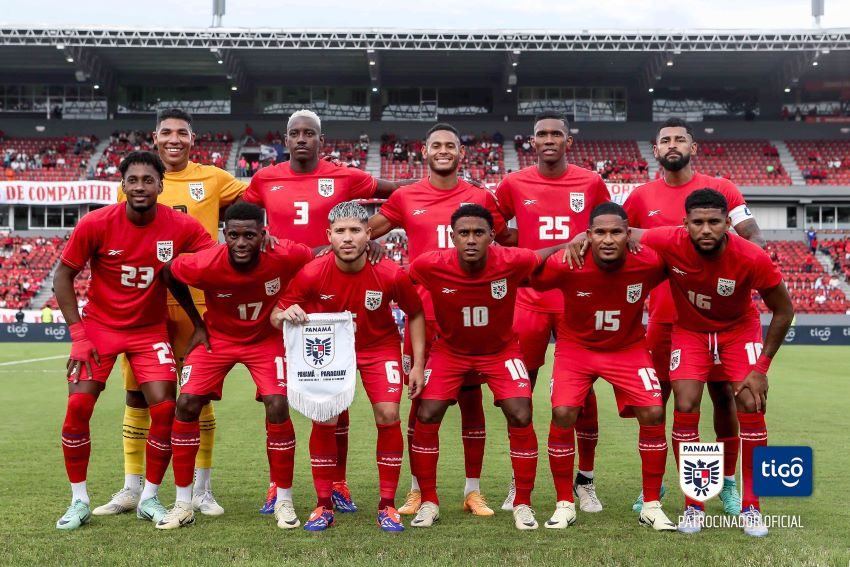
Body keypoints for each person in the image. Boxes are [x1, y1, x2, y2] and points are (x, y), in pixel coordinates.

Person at [243, 109, 413, 514]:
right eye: (294, 134)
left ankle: (338, 482)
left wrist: (367, 233)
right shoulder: (265, 178)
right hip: (286, 300)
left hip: (338, 292)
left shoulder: (347, 176)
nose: (302, 139)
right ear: (285, 140)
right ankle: (276, 484)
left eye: (309, 134)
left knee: (336, 393)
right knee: (276, 397)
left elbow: (400, 194)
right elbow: (242, 217)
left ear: (322, 140)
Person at [52, 151, 215, 530]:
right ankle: (78, 501)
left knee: (163, 410)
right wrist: (78, 335)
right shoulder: (96, 223)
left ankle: (149, 498)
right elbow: (63, 276)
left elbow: (216, 260)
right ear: (122, 185)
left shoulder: (181, 226)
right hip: (99, 327)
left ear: (161, 184)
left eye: (148, 180)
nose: (140, 186)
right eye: (133, 180)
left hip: (148, 331)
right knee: (78, 406)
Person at [98, 108, 248, 520]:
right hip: (145, 305)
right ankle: (132, 488)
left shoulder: (216, 179)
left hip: (196, 305)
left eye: (182, 132)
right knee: (136, 395)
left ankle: (201, 489)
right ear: (155, 136)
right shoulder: (133, 182)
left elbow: (257, 207)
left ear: (193, 138)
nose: (174, 139)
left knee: (196, 394)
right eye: (167, 132)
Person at [368, 123, 513, 517]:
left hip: (470, 317)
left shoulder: (480, 196)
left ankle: (473, 491)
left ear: (461, 153)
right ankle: (417, 490)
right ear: (424, 151)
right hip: (421, 318)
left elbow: (509, 241)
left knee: (472, 401)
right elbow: (362, 234)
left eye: (451, 145)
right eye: (437, 145)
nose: (444, 150)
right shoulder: (405, 196)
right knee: (419, 403)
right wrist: (370, 246)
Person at [630, 189, 793, 537]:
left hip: (738, 332)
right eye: (698, 222)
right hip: (689, 331)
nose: (706, 229)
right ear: (685, 224)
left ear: (727, 224)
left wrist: (761, 368)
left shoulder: (751, 257)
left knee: (749, 402)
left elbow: (784, 309)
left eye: (715, 222)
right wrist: (581, 240)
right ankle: (694, 505)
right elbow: (623, 231)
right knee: (685, 403)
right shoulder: (669, 240)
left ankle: (752, 506)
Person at [623, 117, 766, 514]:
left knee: (726, 397)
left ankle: (730, 482)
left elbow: (752, 233)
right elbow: (620, 238)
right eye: (665, 140)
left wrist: (747, 260)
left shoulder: (721, 189)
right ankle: (658, 486)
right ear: (655, 150)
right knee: (660, 401)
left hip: (718, 319)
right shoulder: (639, 197)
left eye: (679, 139)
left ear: (693, 146)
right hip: (666, 315)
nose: (672, 145)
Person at [406, 204, 566, 531]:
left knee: (521, 413)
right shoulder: (429, 264)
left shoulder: (512, 259)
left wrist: (574, 241)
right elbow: (407, 300)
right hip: (450, 351)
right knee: (426, 413)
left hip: (500, 351)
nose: (470, 239)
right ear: (452, 236)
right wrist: (419, 363)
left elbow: (542, 253)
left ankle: (523, 503)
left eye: (478, 233)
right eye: (463, 233)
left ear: (492, 236)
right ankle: (429, 501)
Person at [156, 202, 313, 530]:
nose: (242, 242)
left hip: (266, 338)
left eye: (250, 235)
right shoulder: (206, 262)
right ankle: (183, 503)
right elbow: (168, 271)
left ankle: (283, 499)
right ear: (224, 235)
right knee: (185, 403)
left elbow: (319, 257)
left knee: (278, 403)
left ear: (263, 234)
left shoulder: (286, 254)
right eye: (234, 235)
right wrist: (197, 323)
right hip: (218, 339)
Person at [272, 201, 426, 532]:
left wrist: (415, 364)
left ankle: (387, 506)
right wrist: (285, 315)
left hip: (377, 348)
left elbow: (415, 312)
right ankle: (323, 504)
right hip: (329, 353)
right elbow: (276, 314)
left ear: (368, 235)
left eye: (355, 230)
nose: (347, 238)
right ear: (329, 235)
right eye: (340, 231)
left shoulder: (389, 272)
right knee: (325, 417)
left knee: (387, 414)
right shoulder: (313, 271)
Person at [531, 202, 675, 532]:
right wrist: (560, 245)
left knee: (653, 412)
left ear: (629, 234)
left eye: (616, 232)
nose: (608, 239)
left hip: (627, 348)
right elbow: (525, 269)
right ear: (588, 236)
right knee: (564, 412)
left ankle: (651, 505)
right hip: (576, 348)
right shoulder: (569, 262)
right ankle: (564, 503)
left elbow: (683, 260)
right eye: (600, 232)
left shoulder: (648, 261)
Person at [495, 111, 611, 513]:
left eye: (555, 134)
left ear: (568, 141)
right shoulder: (513, 183)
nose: (548, 139)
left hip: (578, 297)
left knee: (583, 390)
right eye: (541, 134)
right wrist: (522, 243)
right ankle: (519, 480)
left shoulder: (591, 182)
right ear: (532, 141)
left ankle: (586, 480)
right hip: (528, 298)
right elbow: (494, 228)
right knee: (518, 389)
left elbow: (608, 227)